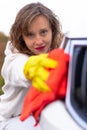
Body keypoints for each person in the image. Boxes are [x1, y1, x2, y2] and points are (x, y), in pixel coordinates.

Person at [0, 2, 63, 130]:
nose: (38, 41)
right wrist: (29, 68)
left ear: (52, 30)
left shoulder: (58, 52)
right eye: (30, 34)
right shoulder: (14, 57)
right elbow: (15, 69)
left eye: (43, 32)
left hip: (41, 115)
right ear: (22, 37)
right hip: (12, 119)